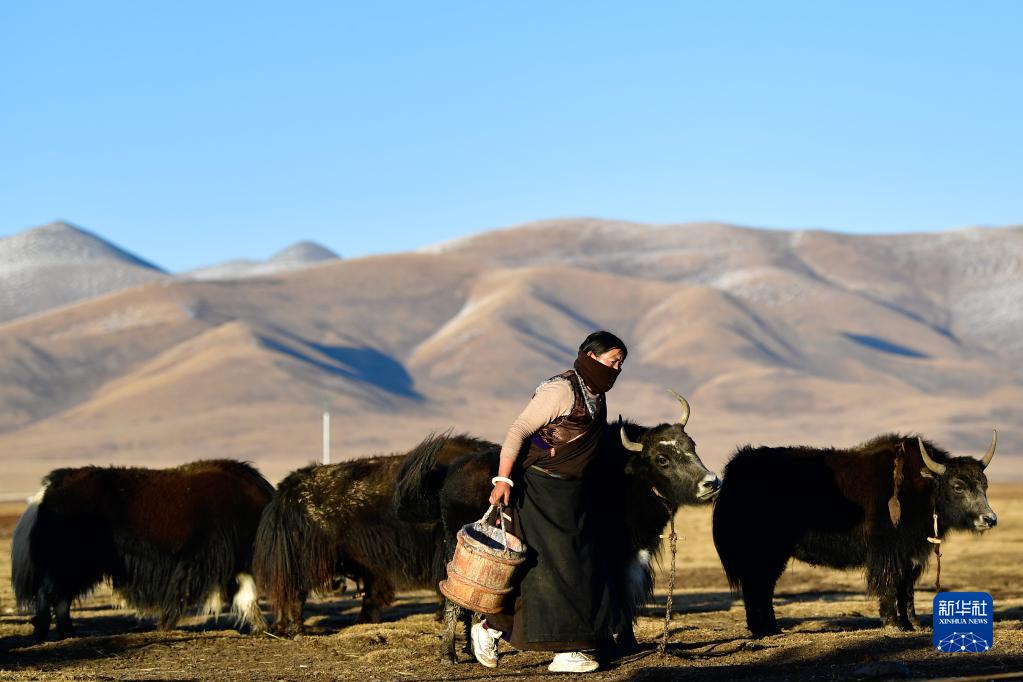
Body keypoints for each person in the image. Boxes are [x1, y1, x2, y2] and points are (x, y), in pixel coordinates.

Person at [470, 330, 627, 674]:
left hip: (573, 494)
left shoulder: (595, 394)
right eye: (613, 361)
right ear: (590, 357)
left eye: (621, 364)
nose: (617, 369)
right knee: (555, 567)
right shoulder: (561, 389)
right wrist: (503, 479)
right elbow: (519, 430)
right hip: (540, 490)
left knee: (581, 564)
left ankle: (498, 626)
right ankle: (564, 650)